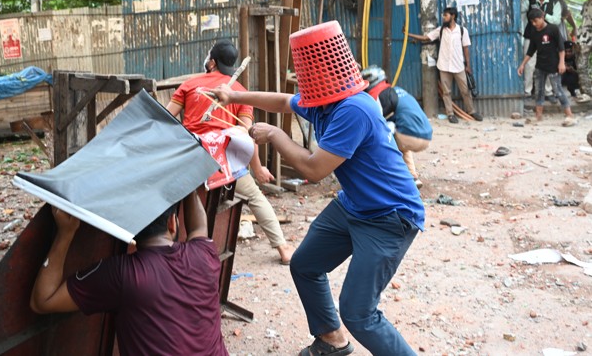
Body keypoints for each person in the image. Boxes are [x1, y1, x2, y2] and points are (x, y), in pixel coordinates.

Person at [211, 20, 424, 356]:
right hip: (354, 204)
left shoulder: (354, 108)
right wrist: (232, 94)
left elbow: (314, 168)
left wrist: (276, 136)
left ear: (324, 70)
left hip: (389, 217)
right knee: (305, 264)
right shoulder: (322, 98)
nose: (302, 77)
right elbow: (283, 102)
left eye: (305, 70)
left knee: (359, 313)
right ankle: (332, 340)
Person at [30, 192, 228, 356]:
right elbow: (198, 227)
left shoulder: (122, 274)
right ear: (173, 224)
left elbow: (43, 300)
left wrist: (65, 233)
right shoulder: (204, 253)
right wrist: (189, 186)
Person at [166, 39, 294, 265]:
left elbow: (165, 119)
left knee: (171, 199)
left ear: (211, 62)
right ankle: (283, 249)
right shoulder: (240, 92)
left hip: (190, 160)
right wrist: (257, 168)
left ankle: (169, 250)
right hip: (225, 165)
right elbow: (246, 135)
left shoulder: (190, 84)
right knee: (254, 196)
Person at [361, 66, 433, 189]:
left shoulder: (379, 95)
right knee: (398, 134)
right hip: (426, 136)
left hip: (409, 136)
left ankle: (386, 180)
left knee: (379, 137)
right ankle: (412, 176)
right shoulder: (397, 90)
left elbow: (374, 123)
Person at [407, 7, 483, 123]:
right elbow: (426, 37)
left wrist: (468, 65)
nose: (443, 18)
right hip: (444, 66)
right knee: (446, 92)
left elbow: (466, 49)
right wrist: (409, 34)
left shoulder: (462, 31)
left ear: (453, 16)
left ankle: (471, 111)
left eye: (445, 15)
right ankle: (450, 114)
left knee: (465, 91)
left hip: (458, 66)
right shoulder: (441, 30)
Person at [517, 8, 577, 127]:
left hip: (554, 66)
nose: (534, 24)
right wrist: (522, 64)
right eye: (532, 22)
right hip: (540, 66)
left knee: (558, 91)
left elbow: (561, 48)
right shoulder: (534, 33)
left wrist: (561, 63)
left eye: (536, 21)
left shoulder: (553, 29)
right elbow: (530, 51)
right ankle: (538, 117)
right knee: (539, 92)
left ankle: (570, 115)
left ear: (542, 17)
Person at [524, 0, 561, 100]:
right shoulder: (530, 1)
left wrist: (544, 15)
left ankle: (548, 92)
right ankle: (527, 91)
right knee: (530, 65)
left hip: (547, 37)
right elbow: (520, 10)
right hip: (531, 35)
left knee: (549, 63)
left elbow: (556, 20)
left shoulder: (554, 3)